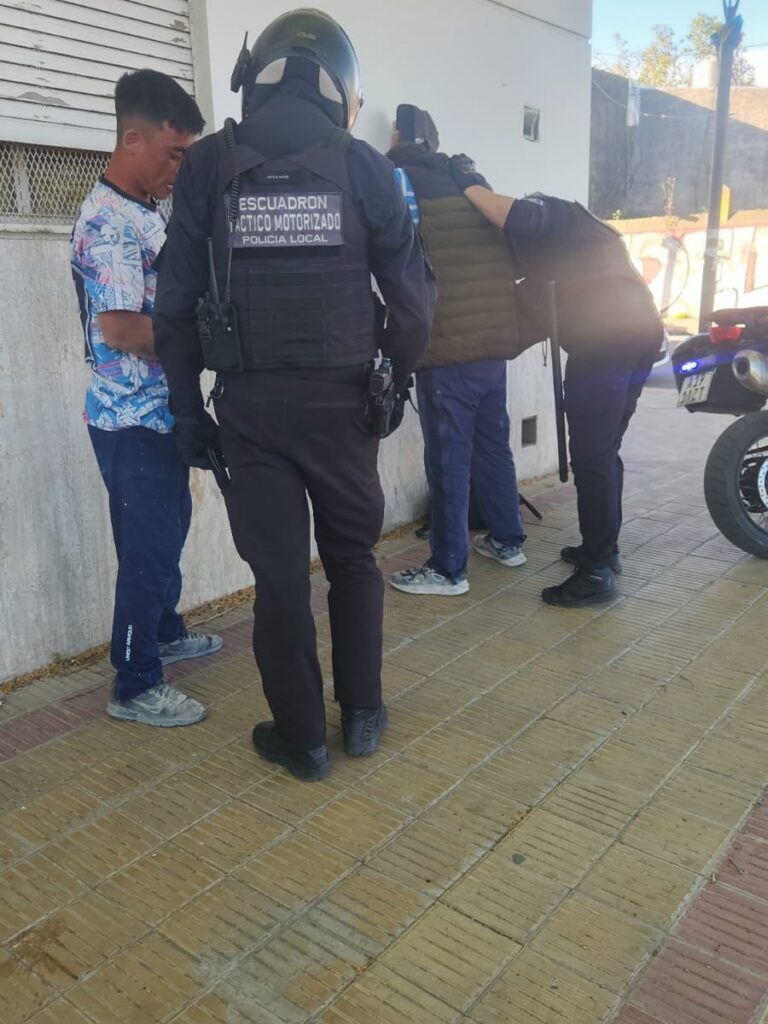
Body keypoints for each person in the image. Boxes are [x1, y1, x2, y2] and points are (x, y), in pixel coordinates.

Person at [154, 10, 433, 781]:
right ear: (339, 88)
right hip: (346, 407)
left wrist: (187, 412)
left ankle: (303, 740)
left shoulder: (207, 166)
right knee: (352, 559)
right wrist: (394, 382)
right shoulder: (369, 168)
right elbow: (414, 308)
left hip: (249, 412)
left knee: (279, 578)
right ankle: (364, 715)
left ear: (258, 76)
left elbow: (174, 306)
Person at [70, 70, 222, 727]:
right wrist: (208, 343)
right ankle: (135, 684)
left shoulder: (144, 209)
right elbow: (123, 329)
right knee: (147, 549)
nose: (179, 168)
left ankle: (163, 629)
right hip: (129, 419)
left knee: (168, 528)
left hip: (157, 412)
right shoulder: (108, 223)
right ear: (133, 140)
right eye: (173, 153)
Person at [449, 157, 664, 607]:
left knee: (592, 457)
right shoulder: (569, 254)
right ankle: (603, 549)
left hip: (605, 344)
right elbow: (519, 332)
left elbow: (519, 216)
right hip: (638, 336)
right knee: (604, 452)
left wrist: (466, 183)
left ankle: (597, 572)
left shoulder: (557, 215)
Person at [386, 105, 526, 598]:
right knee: (493, 444)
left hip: (448, 348)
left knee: (449, 460)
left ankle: (448, 569)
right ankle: (507, 540)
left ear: (398, 137)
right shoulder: (471, 180)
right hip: (493, 342)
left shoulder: (398, 181)